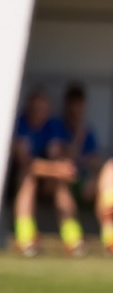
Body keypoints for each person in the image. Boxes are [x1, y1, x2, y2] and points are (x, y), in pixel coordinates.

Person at [10, 90, 82, 256]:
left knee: (61, 183)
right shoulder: (19, 125)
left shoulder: (53, 127)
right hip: (17, 182)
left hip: (48, 182)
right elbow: (26, 163)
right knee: (28, 178)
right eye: (34, 109)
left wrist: (64, 167)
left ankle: (72, 238)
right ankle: (26, 237)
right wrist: (57, 169)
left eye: (42, 109)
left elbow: (56, 154)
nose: (38, 113)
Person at [59, 84, 113, 253]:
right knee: (62, 185)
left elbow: (92, 160)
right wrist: (77, 136)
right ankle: (73, 239)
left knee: (111, 166)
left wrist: (99, 169)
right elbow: (67, 158)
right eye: (74, 107)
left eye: (80, 106)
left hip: (85, 182)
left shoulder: (87, 131)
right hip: (65, 183)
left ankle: (111, 235)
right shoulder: (57, 128)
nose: (77, 111)